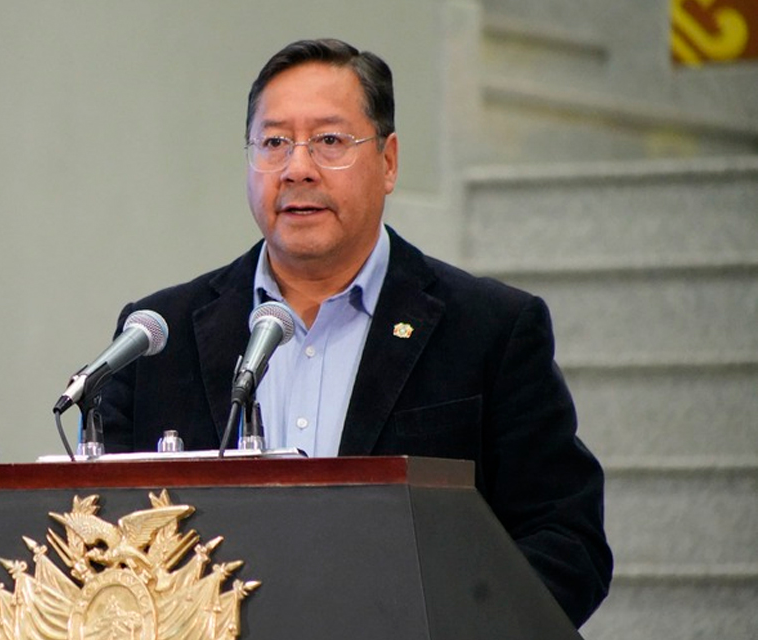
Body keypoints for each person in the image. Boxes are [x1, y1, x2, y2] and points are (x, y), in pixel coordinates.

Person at [95, 38, 612, 627]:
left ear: (388, 162)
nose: (297, 168)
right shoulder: (160, 336)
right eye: (273, 143)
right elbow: (103, 543)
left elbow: (567, 540)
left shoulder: (489, 330)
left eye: (330, 141)